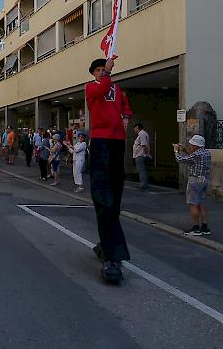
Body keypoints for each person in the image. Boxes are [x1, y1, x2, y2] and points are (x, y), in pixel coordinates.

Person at [86, 56, 133, 283]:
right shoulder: (93, 87)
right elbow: (103, 87)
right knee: (103, 195)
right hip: (101, 141)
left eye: (101, 69)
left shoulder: (117, 88)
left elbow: (125, 105)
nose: (100, 73)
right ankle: (113, 254)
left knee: (115, 194)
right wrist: (108, 71)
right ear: (94, 73)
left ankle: (108, 245)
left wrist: (125, 119)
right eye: (97, 70)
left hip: (117, 142)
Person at [174, 135, 212, 236]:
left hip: (195, 180)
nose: (190, 146)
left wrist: (176, 151)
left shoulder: (196, 155)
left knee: (192, 203)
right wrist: (184, 150)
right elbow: (192, 157)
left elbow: (180, 160)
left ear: (196, 145)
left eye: (191, 144)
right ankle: (204, 227)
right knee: (200, 203)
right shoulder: (206, 152)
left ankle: (195, 227)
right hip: (204, 179)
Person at [133, 123, 150, 190]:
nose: (134, 130)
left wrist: (146, 154)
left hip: (140, 155)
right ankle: (143, 183)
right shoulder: (141, 134)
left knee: (141, 170)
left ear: (137, 127)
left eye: (135, 129)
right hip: (140, 155)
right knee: (142, 170)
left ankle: (143, 185)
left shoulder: (142, 134)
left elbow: (144, 145)